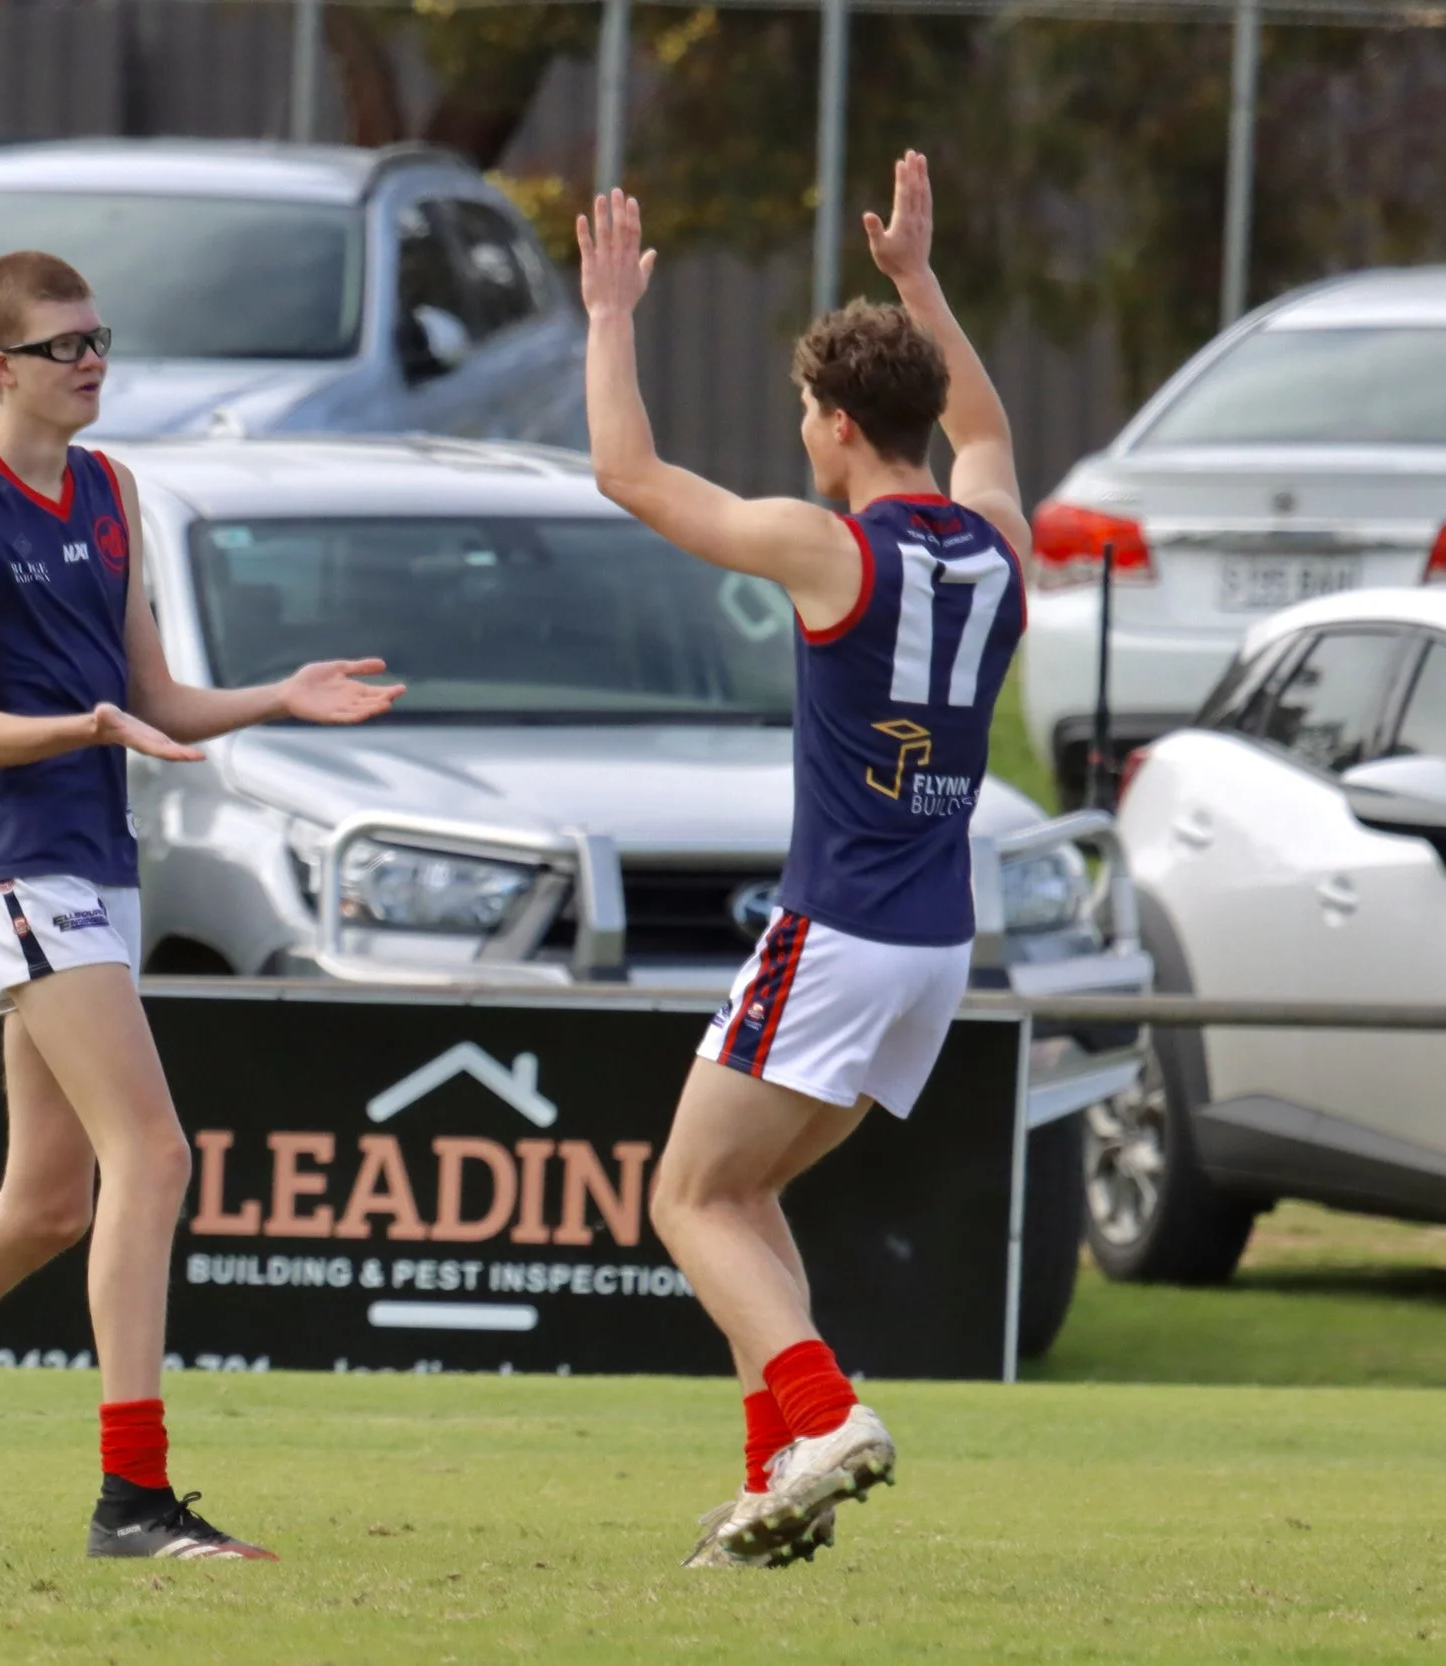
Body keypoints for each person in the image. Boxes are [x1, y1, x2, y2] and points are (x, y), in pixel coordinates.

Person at [0, 252, 400, 1562]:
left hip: (94, 859)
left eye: (98, 338)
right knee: (153, 1156)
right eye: (62, 346)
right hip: (13, 867)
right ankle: (132, 1498)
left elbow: (154, 698)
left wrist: (278, 694)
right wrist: (85, 721)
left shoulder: (112, 488)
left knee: (47, 1200)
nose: (90, 360)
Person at [577, 153, 1031, 1568]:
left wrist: (608, 316)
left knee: (686, 1194)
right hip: (938, 942)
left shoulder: (832, 549)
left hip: (838, 924)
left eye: (804, 417)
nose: (801, 438)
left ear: (839, 424)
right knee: (749, 1193)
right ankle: (780, 1481)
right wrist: (918, 284)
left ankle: (822, 1416)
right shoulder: (1001, 548)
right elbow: (993, 433)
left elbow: (627, 473)